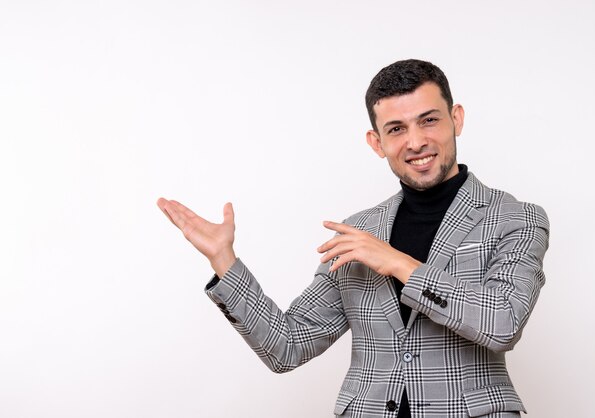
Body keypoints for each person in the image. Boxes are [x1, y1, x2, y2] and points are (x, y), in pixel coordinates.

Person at [156, 59, 549, 418]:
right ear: (376, 142)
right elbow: (287, 346)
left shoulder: (516, 219)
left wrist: (396, 262)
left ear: (456, 119)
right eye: (396, 129)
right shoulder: (357, 233)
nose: (415, 142)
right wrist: (224, 260)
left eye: (428, 120)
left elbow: (502, 323)